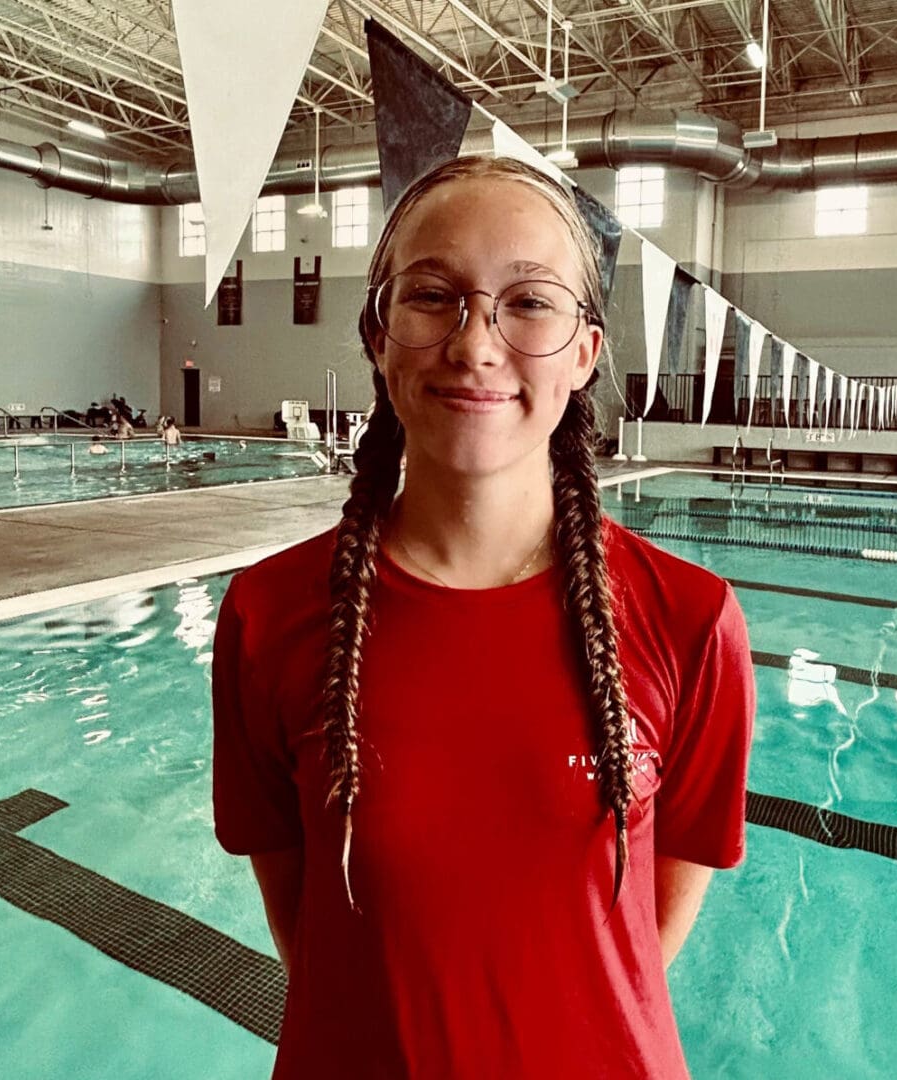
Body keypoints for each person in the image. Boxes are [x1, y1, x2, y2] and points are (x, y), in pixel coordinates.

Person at [211, 156, 755, 1080]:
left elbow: (644, 937)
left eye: (530, 302)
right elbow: (308, 926)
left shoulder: (690, 621)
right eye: (434, 295)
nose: (475, 344)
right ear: (380, 335)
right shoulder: (269, 616)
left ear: (585, 352)